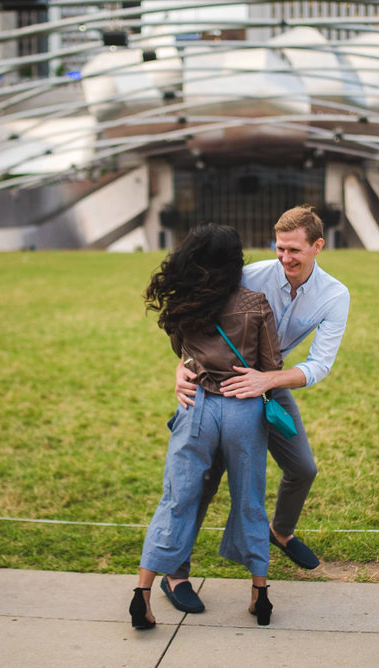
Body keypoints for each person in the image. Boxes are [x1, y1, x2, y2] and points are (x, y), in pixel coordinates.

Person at [161, 205, 350, 615]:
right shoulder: (250, 275)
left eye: (295, 250)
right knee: (204, 483)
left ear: (319, 246)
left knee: (303, 468)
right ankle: (175, 573)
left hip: (269, 384)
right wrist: (181, 368)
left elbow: (320, 364)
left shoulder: (335, 295)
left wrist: (267, 380)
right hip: (217, 385)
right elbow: (195, 320)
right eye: (280, 248)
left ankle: (279, 533)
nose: (285, 259)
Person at [131, 224, 282, 629]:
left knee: (176, 499)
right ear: (236, 261)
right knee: (249, 500)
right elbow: (272, 365)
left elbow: (182, 354)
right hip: (242, 409)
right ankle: (259, 595)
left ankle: (142, 595)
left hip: (195, 406)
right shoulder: (256, 302)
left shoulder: (185, 303)